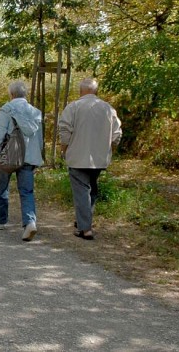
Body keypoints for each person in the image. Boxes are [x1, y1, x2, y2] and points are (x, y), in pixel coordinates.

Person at [58, 78, 122, 240]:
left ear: (81, 91)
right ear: (96, 91)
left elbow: (65, 132)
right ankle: (83, 221)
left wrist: (63, 150)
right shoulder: (108, 109)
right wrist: (109, 150)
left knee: (82, 192)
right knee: (91, 190)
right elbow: (117, 135)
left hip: (78, 157)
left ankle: (85, 229)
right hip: (99, 159)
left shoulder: (73, 107)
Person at [0, 80, 44, 242]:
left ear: (11, 94)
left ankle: (0, 221)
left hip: (9, 156)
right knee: (27, 192)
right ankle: (29, 222)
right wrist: (36, 158)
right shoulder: (36, 112)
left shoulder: (6, 109)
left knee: (2, 188)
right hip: (28, 158)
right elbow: (39, 138)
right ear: (25, 94)